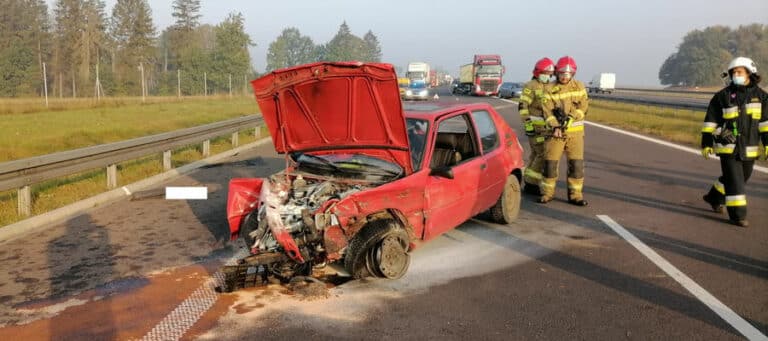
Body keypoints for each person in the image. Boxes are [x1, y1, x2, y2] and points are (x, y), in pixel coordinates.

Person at [701, 56, 767, 227]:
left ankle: (714, 197)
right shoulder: (722, 97)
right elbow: (710, 122)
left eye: (739, 72)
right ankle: (738, 215)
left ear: (749, 74)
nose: (735, 75)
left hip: (749, 149)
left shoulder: (762, 97)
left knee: (739, 178)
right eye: (733, 73)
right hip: (727, 148)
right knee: (736, 184)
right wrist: (708, 141)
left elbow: (765, 124)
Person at [539, 56, 589, 205]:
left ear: (572, 74)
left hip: (575, 135)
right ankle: (547, 194)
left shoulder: (579, 87)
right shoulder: (548, 89)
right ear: (556, 73)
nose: (564, 77)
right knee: (550, 165)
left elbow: (584, 107)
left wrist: (571, 117)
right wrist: (555, 125)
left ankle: (575, 196)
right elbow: (546, 111)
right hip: (555, 134)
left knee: (577, 166)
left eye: (567, 74)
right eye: (561, 73)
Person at [519, 57, 555, 195]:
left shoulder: (549, 86)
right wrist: (528, 125)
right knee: (542, 154)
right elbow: (523, 106)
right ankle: (532, 184)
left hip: (546, 128)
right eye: (546, 73)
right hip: (535, 128)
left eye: (550, 74)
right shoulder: (531, 86)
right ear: (538, 72)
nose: (548, 76)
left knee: (535, 154)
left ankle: (529, 181)